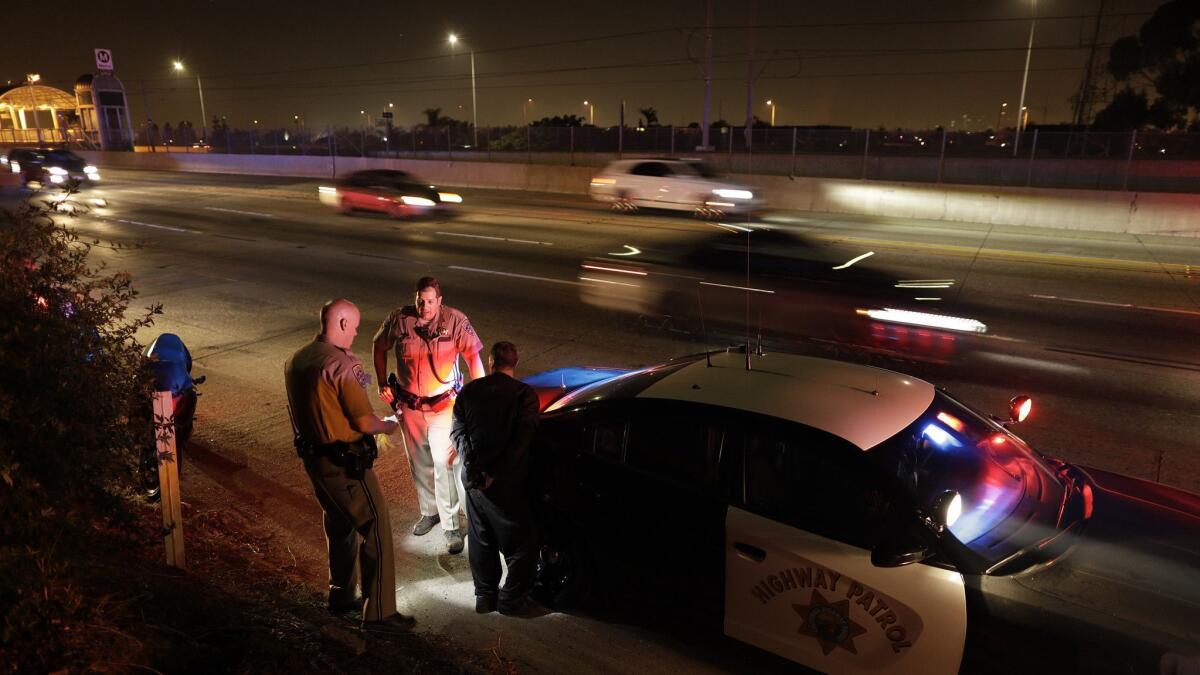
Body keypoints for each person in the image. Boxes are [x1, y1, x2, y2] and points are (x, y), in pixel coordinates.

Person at [285, 298, 413, 631]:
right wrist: (389, 424)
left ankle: (340, 594)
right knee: (376, 528)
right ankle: (381, 612)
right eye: (354, 327)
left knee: (338, 526)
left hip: (315, 460)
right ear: (341, 323)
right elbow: (362, 421)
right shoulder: (340, 365)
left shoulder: (297, 360)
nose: (356, 333)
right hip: (345, 463)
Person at [373, 276, 485, 554]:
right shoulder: (400, 320)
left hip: (443, 406)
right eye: (420, 301)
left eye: (430, 301)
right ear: (415, 299)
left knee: (443, 463)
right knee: (419, 462)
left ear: (439, 301)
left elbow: (473, 357)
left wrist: (480, 397)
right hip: (410, 406)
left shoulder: (455, 321)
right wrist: (381, 382)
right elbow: (378, 346)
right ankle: (429, 511)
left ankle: (451, 527)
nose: (424, 306)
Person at [450, 341, 541, 614]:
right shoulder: (524, 395)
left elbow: (458, 434)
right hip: (506, 482)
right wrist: (495, 472)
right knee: (524, 542)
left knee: (481, 537)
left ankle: (485, 597)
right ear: (515, 362)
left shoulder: (468, 392)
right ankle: (511, 599)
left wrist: (476, 467)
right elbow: (522, 440)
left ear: (490, 362)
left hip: (474, 480)